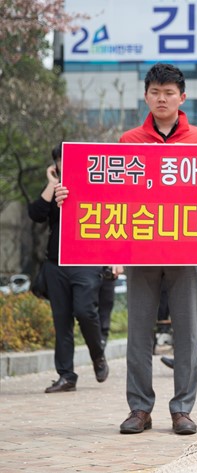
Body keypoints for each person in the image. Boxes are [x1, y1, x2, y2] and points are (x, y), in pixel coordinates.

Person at [55, 63, 197, 435]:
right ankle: (139, 408)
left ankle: (182, 409)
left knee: (187, 333)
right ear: (146, 96)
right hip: (141, 251)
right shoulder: (129, 141)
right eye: (155, 92)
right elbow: (110, 196)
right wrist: (71, 195)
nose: (162, 99)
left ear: (182, 97)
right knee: (139, 331)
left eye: (169, 93)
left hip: (186, 252)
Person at [28, 144, 109, 393]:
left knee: (85, 312)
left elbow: (112, 220)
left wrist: (114, 259)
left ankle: (98, 355)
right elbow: (36, 214)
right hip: (57, 263)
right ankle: (66, 375)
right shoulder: (55, 189)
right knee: (61, 320)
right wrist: (52, 184)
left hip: (86, 262)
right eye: (60, 160)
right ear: (56, 164)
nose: (65, 163)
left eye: (69, 158)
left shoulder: (95, 185)